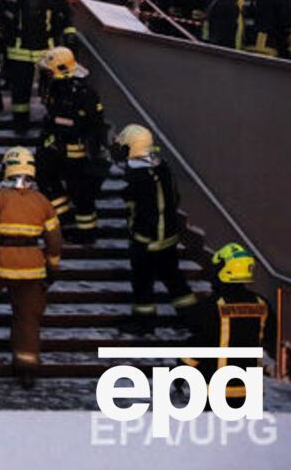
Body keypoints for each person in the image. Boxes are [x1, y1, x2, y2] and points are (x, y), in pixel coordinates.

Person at [0, 146, 62, 388]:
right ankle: (26, 365)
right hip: (32, 267)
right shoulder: (43, 202)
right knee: (27, 316)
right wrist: (52, 267)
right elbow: (54, 240)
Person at [114, 124, 197, 334]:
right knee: (173, 277)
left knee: (142, 280)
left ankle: (144, 322)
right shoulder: (161, 166)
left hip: (148, 238)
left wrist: (139, 234)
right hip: (168, 234)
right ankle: (191, 317)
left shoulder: (139, 175)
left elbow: (139, 205)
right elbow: (173, 197)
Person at [0, 0, 75, 131]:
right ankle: (20, 121)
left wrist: (69, 33)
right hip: (19, 47)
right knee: (20, 87)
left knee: (53, 87)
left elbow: (65, 13)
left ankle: (53, 121)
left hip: (46, 47)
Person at [182, 243, 270, 410]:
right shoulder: (262, 304)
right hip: (250, 392)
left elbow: (199, 344)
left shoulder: (213, 305)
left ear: (225, 270)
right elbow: (269, 339)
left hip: (214, 392)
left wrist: (182, 369)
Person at [36, 47, 107, 240]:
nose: (46, 74)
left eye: (49, 70)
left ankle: (87, 232)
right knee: (45, 177)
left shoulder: (82, 92)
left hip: (78, 154)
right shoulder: (58, 88)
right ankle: (64, 217)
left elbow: (90, 124)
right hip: (59, 149)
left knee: (81, 194)